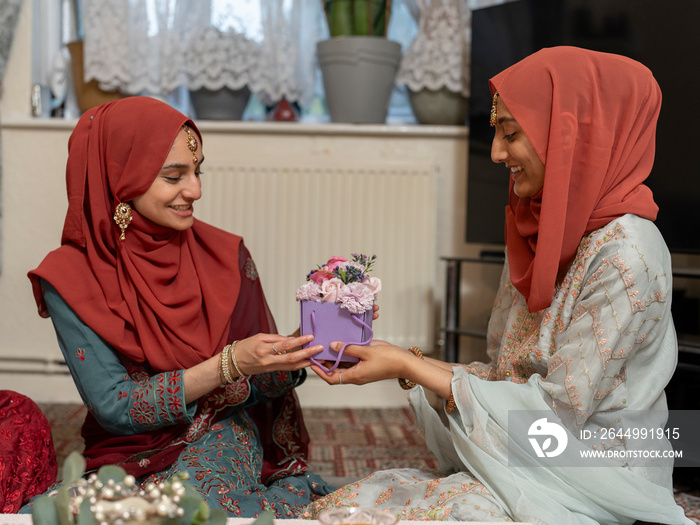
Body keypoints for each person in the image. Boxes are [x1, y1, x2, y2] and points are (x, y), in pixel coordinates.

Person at [304, 47, 692, 524]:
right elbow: (508, 376)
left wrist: (409, 364)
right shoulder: (537, 227)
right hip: (532, 445)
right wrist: (405, 362)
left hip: (594, 464)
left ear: (571, 136)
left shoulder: (629, 252)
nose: (496, 153)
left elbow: (555, 413)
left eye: (510, 133)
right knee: (358, 506)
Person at [23, 96, 333, 517]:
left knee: (190, 508)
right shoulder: (69, 279)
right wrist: (227, 364)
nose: (196, 190)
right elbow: (116, 407)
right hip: (127, 450)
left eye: (198, 170)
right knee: (55, 516)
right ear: (120, 179)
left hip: (221, 430)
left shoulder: (226, 256)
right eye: (174, 176)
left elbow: (255, 386)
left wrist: (299, 351)